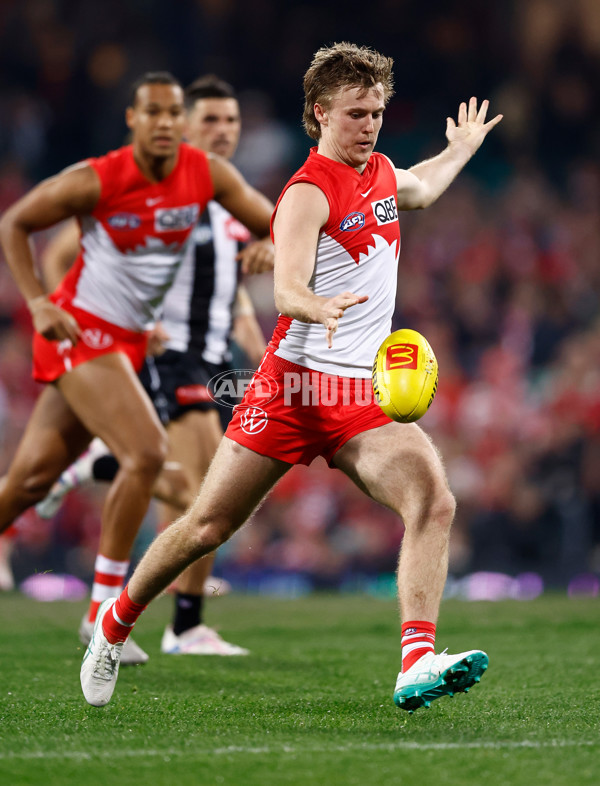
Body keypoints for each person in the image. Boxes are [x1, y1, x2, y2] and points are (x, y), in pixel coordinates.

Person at [80, 43, 502, 712]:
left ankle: (416, 661)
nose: (369, 125)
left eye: (378, 113)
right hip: (292, 389)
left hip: (358, 397)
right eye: (356, 114)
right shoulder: (307, 193)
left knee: (434, 500)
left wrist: (462, 148)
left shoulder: (384, 173)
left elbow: (421, 184)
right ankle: (114, 621)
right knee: (206, 528)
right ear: (320, 113)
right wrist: (317, 304)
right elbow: (286, 288)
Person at [0, 71, 273, 664]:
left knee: (29, 482)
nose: (166, 123)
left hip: (128, 344)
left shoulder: (206, 177)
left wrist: (274, 245)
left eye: (174, 112)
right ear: (133, 119)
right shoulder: (98, 178)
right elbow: (15, 223)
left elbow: (276, 220)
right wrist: (40, 301)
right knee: (148, 454)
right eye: (154, 112)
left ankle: (82, 491)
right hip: (84, 333)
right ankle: (102, 612)